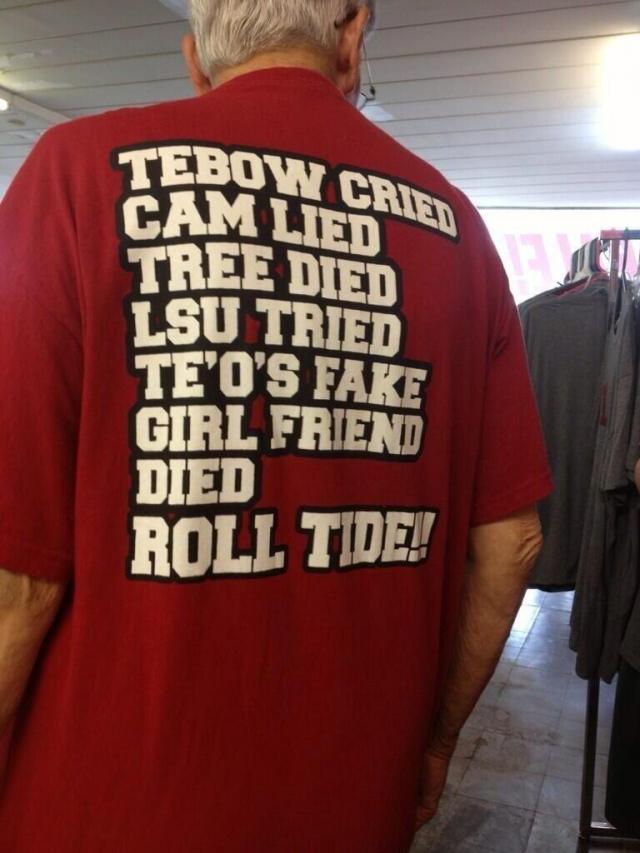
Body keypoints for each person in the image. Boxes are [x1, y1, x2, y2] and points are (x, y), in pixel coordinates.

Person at [0, 2, 551, 851]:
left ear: (196, 59)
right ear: (352, 34)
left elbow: (17, 580)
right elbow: (512, 541)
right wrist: (436, 741)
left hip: (103, 813)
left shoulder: (74, 174)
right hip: (351, 808)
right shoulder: (459, 230)